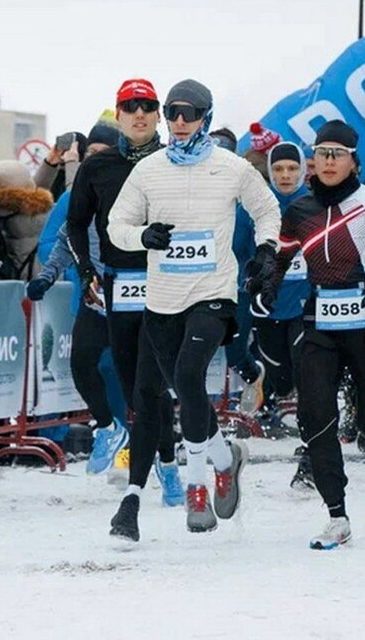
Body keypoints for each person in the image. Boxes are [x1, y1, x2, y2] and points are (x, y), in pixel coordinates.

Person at [107, 79, 281, 537]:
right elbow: (116, 224)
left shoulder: (231, 167)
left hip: (214, 293)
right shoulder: (148, 171)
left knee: (188, 377)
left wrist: (266, 249)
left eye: (190, 113)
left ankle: (197, 485)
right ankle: (227, 458)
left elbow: (267, 210)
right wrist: (142, 237)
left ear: (206, 115)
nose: (180, 122)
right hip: (163, 300)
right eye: (173, 113)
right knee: (185, 390)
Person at [267, 120, 365, 549]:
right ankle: (337, 514)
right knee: (315, 412)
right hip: (319, 318)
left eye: (338, 154)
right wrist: (265, 288)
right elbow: (281, 259)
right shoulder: (299, 210)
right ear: (313, 160)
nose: (329, 162)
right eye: (323, 153)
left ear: (353, 160)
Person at [67, 79, 187, 528]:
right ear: (117, 115)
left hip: (168, 284)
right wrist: (85, 272)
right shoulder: (99, 168)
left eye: (147, 106)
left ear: (159, 114)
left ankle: (169, 465)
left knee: (152, 385)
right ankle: (155, 454)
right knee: (130, 381)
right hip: (118, 286)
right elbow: (76, 225)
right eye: (129, 107)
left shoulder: (176, 162)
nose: (139, 114)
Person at [28, 121, 130, 476]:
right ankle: (112, 432)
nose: (97, 162)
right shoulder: (75, 196)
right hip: (92, 298)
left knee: (134, 378)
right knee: (90, 367)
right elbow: (55, 243)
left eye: (105, 155)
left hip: (135, 298)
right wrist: (64, 274)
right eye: (91, 156)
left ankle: (158, 458)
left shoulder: (137, 188)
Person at [235, 140, 310, 438]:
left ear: (302, 170)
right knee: (280, 374)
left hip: (305, 300)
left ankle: (310, 441)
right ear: (270, 171)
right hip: (267, 303)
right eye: (278, 169)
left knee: (306, 365)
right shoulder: (255, 206)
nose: (286, 175)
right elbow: (237, 249)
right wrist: (250, 274)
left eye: (292, 168)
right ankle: (274, 388)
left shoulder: (316, 204)